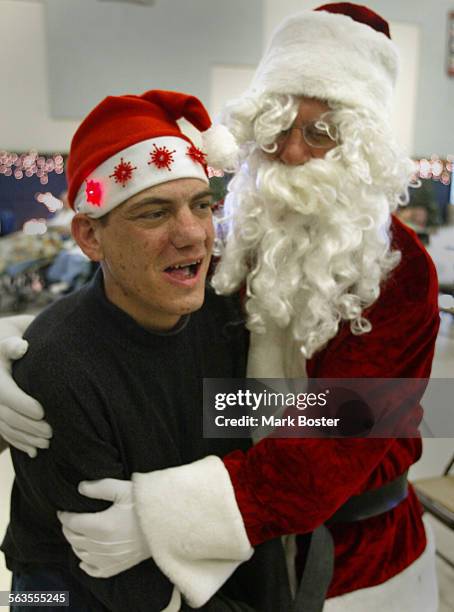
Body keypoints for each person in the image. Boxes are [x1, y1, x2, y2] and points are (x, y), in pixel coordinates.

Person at [0, 3, 441, 611]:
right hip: (225, 563)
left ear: (360, 146)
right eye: (275, 126)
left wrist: (169, 514)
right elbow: (136, 299)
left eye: (318, 132)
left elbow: (343, 433)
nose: (289, 152)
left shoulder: (400, 268)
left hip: (354, 561)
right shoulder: (232, 229)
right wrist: (31, 345)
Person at [0, 89, 295, 612]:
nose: (192, 235)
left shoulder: (227, 320)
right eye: (154, 213)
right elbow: (123, 584)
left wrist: (379, 410)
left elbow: (303, 416)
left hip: (187, 563)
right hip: (62, 583)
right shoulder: (58, 365)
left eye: (202, 205)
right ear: (91, 237)